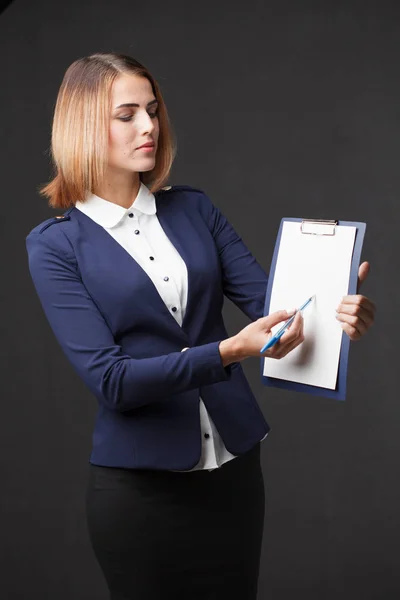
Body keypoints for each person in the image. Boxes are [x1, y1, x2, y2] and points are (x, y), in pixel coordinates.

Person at [25, 53, 375, 600]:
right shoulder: (55, 244)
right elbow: (112, 381)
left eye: (154, 110)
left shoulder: (193, 209)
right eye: (127, 114)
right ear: (84, 126)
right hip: (140, 493)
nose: (149, 126)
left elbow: (274, 306)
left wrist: (336, 306)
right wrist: (230, 351)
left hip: (235, 472)